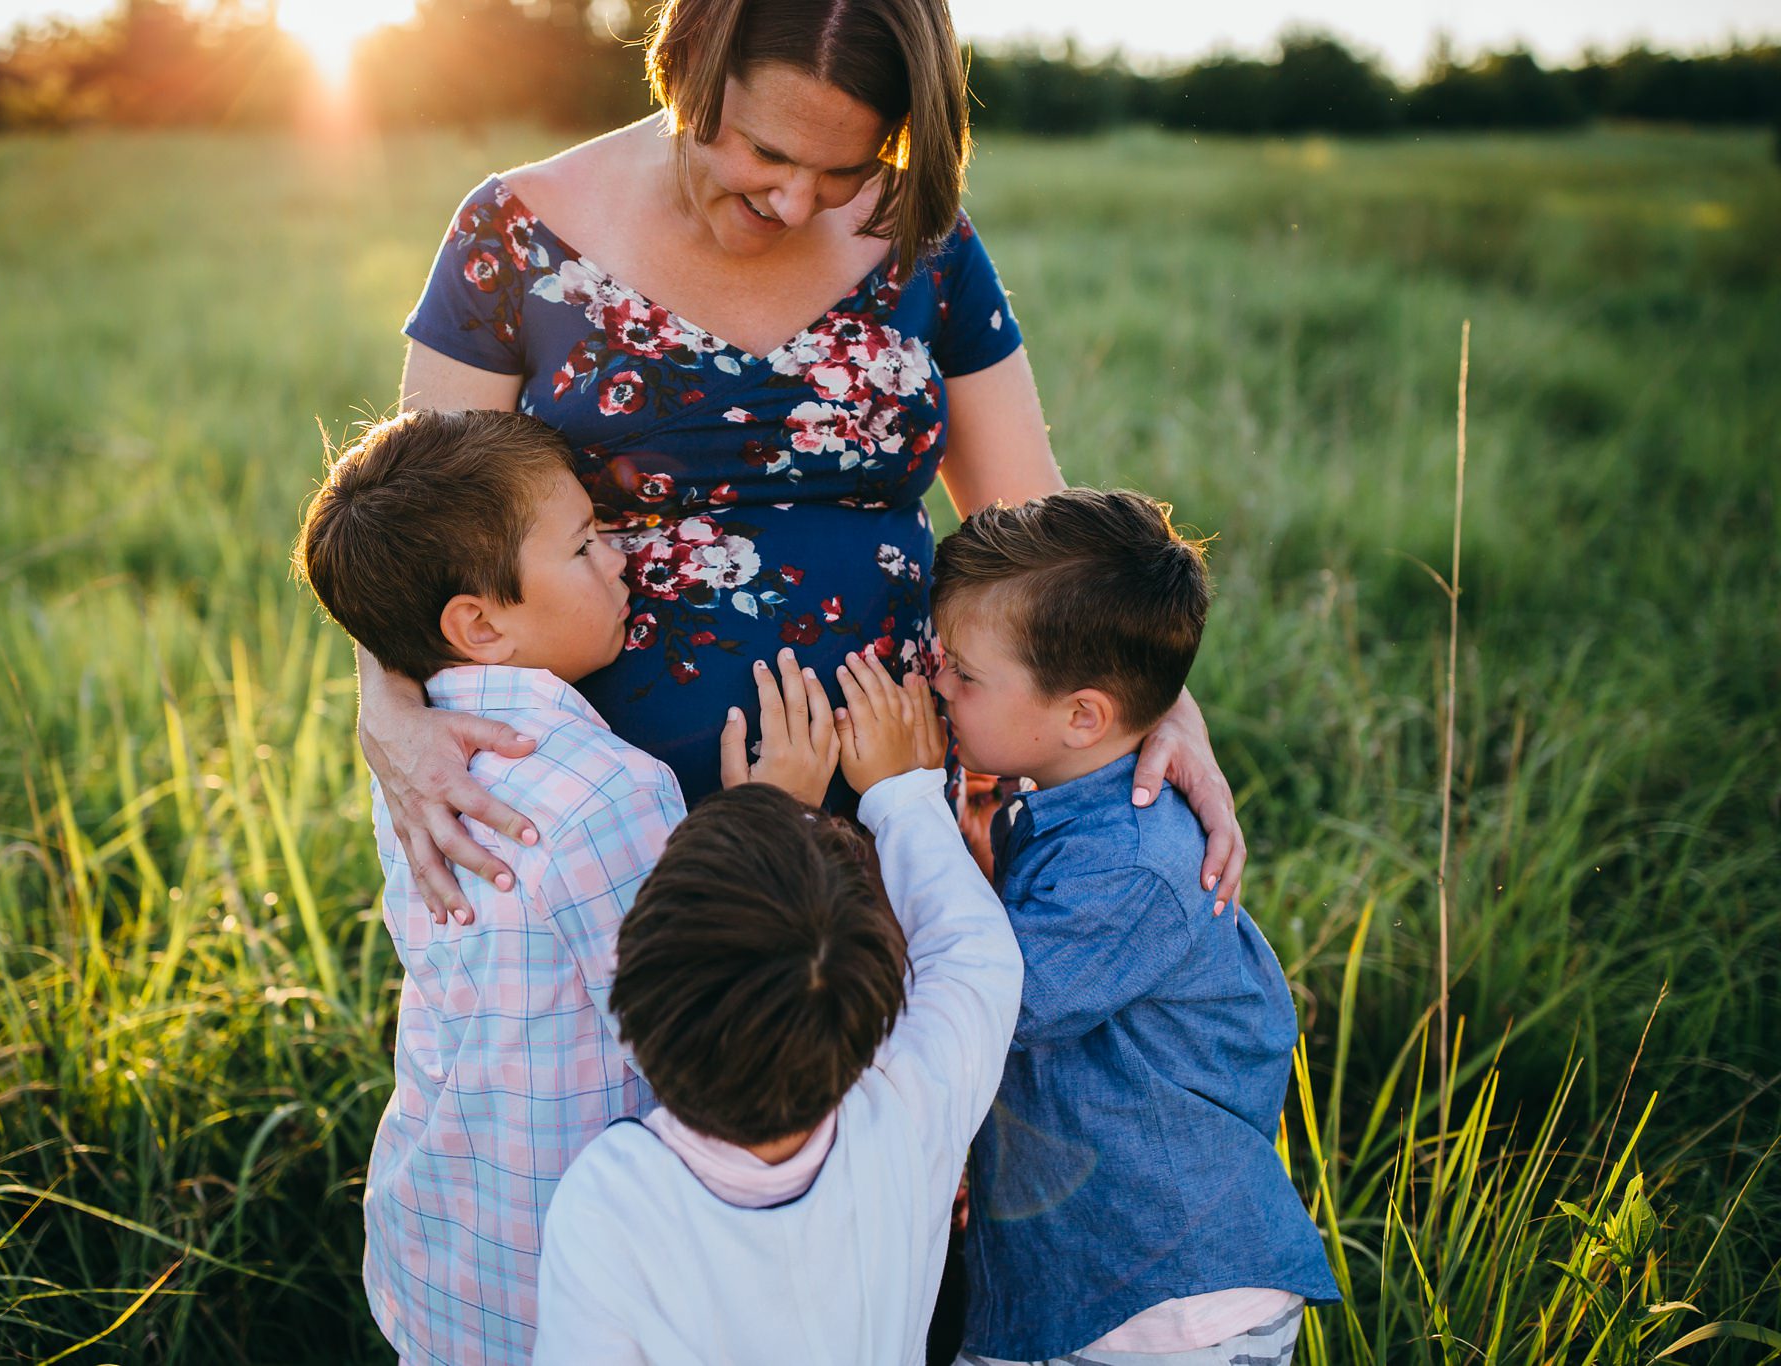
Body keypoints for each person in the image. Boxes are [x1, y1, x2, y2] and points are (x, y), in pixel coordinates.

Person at [356, 0, 1247, 934]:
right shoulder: (513, 234)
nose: (793, 204)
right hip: (593, 825)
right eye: (765, 153)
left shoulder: (924, 237)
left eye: (845, 168)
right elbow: (419, 539)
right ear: (692, 61)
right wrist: (389, 712)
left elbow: (1036, 526)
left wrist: (1159, 703)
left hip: (888, 804)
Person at [294, 407, 838, 1366]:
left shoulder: (419, 771)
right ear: (481, 624)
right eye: (586, 544)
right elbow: (692, 1020)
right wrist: (774, 818)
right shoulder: (608, 792)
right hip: (583, 1278)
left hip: (452, 1241)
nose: (624, 557)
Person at [925, 489, 1341, 1366]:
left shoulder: (1131, 863)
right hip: (1086, 1277)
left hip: (1161, 1301)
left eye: (964, 673)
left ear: (1082, 715)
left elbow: (995, 1005)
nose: (938, 682)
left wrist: (902, 804)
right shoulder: (1070, 802)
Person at [532, 652, 1024, 1364]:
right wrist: (900, 796)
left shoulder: (611, 1201)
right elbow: (977, 957)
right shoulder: (907, 1113)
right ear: (881, 994)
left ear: (630, 1000)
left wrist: (772, 816)